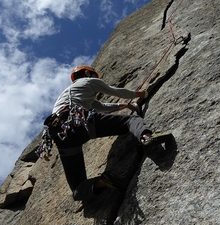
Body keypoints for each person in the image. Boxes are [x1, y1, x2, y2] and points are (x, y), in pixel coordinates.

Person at [43, 65, 167, 201]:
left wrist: (124, 106)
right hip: (79, 123)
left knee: (77, 189)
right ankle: (146, 138)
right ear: (86, 73)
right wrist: (140, 94)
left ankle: (102, 182)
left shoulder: (67, 94)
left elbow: (101, 107)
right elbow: (116, 92)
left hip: (61, 135)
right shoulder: (89, 81)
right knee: (132, 120)